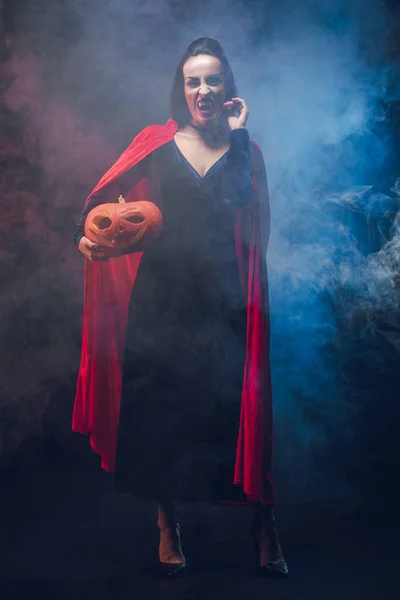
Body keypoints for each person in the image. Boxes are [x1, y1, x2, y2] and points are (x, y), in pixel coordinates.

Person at [72, 37, 288, 579]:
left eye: (213, 79)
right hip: (162, 297)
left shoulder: (247, 151)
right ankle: (167, 525)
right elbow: (97, 208)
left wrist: (237, 140)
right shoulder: (153, 143)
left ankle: (264, 525)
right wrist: (89, 239)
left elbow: (248, 210)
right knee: (157, 416)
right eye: (193, 80)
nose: (203, 89)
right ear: (181, 88)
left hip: (225, 296)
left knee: (235, 413)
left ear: (228, 90)